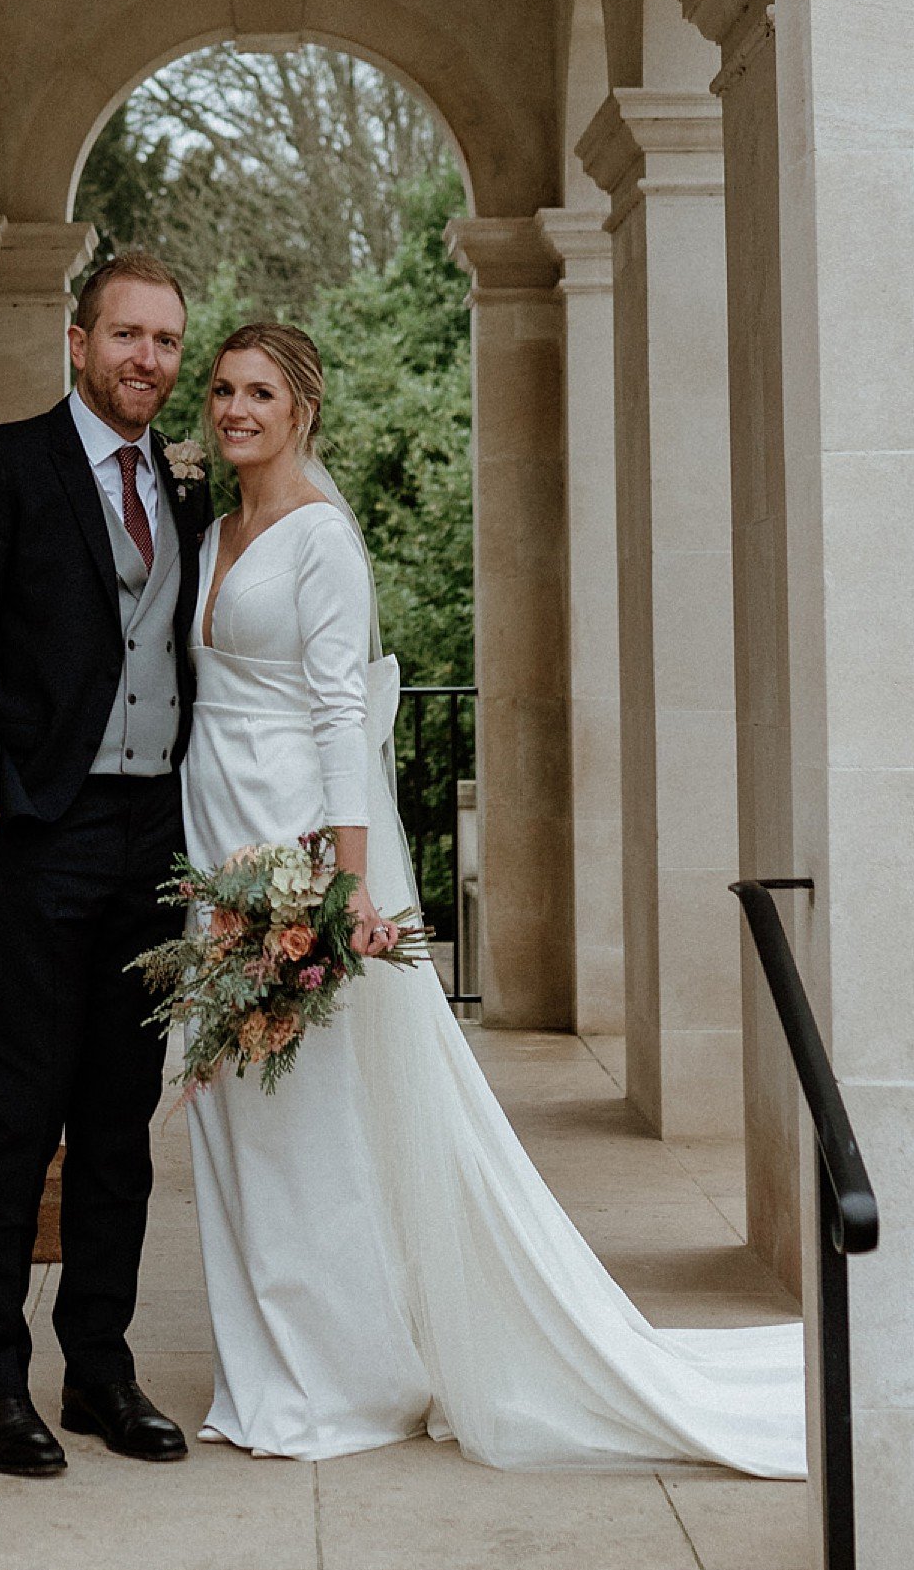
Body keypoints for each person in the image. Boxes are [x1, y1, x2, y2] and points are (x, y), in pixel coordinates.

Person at [183, 318, 806, 1475]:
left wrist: (345, 890)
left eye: (258, 392)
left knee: (311, 1117)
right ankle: (265, 1363)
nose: (233, 409)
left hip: (295, 857)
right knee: (236, 1119)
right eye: (222, 388)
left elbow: (335, 714)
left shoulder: (320, 538)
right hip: (212, 848)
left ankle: (338, 1375)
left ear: (301, 406)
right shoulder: (217, 525)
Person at [0, 250, 212, 1478]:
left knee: (119, 1122)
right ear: (77, 341)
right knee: (15, 1114)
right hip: (36, 836)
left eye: (167, 342)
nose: (148, 359)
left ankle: (98, 1368)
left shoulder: (188, 490)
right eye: (127, 335)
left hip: (152, 835)